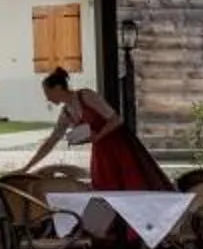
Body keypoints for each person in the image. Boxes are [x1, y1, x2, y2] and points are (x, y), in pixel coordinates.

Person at [23, 68, 168, 190]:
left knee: (131, 184)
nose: (47, 98)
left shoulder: (86, 95)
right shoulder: (66, 112)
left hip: (118, 146)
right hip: (101, 151)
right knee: (104, 187)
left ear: (58, 88)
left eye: (48, 93)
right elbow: (51, 140)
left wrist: (98, 135)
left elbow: (116, 119)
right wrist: (27, 167)